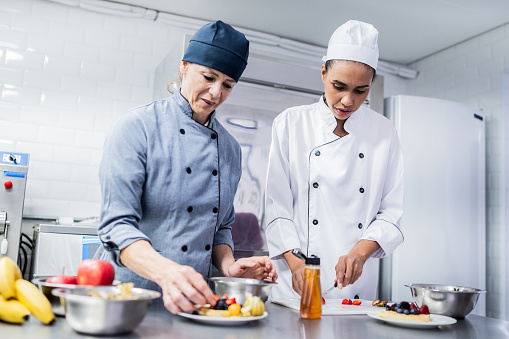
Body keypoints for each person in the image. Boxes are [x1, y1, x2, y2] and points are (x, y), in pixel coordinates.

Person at [96, 20, 277, 314]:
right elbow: (117, 227)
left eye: (228, 85)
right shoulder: (137, 127)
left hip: (193, 305)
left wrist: (230, 267)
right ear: (184, 66)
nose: (216, 92)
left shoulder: (230, 149)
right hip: (127, 302)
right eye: (208, 76)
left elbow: (220, 228)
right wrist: (167, 273)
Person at [265, 20, 403, 301]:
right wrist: (296, 264)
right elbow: (276, 207)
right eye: (338, 86)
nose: (347, 101)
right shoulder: (291, 123)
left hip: (354, 287)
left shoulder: (383, 131)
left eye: (360, 90)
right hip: (297, 281)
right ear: (323, 73)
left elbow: (392, 212)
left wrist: (359, 254)